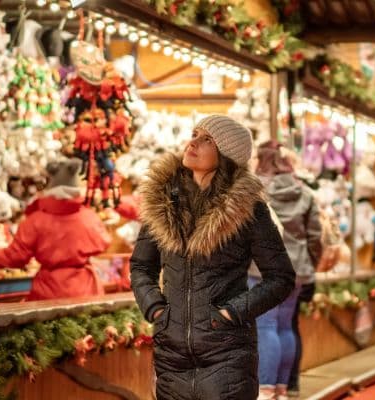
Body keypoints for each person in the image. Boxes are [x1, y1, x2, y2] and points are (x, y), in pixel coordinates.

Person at [130, 115, 296, 399]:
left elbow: (281, 277)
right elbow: (141, 266)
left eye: (206, 139)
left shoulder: (247, 209)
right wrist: (156, 309)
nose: (193, 142)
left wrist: (232, 313)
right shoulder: (164, 203)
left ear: (226, 155)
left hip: (227, 352)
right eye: (194, 134)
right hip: (172, 355)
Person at [251, 141, 323, 400]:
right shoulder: (304, 192)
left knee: (265, 326)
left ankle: (266, 388)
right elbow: (315, 236)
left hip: (263, 269)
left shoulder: (255, 189)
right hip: (297, 269)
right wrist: (309, 263)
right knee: (284, 326)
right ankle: (281, 387)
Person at [0, 158, 111, 300]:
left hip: (49, 292)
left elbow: (15, 257)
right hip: (87, 291)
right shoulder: (90, 217)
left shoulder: (35, 220)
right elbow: (104, 242)